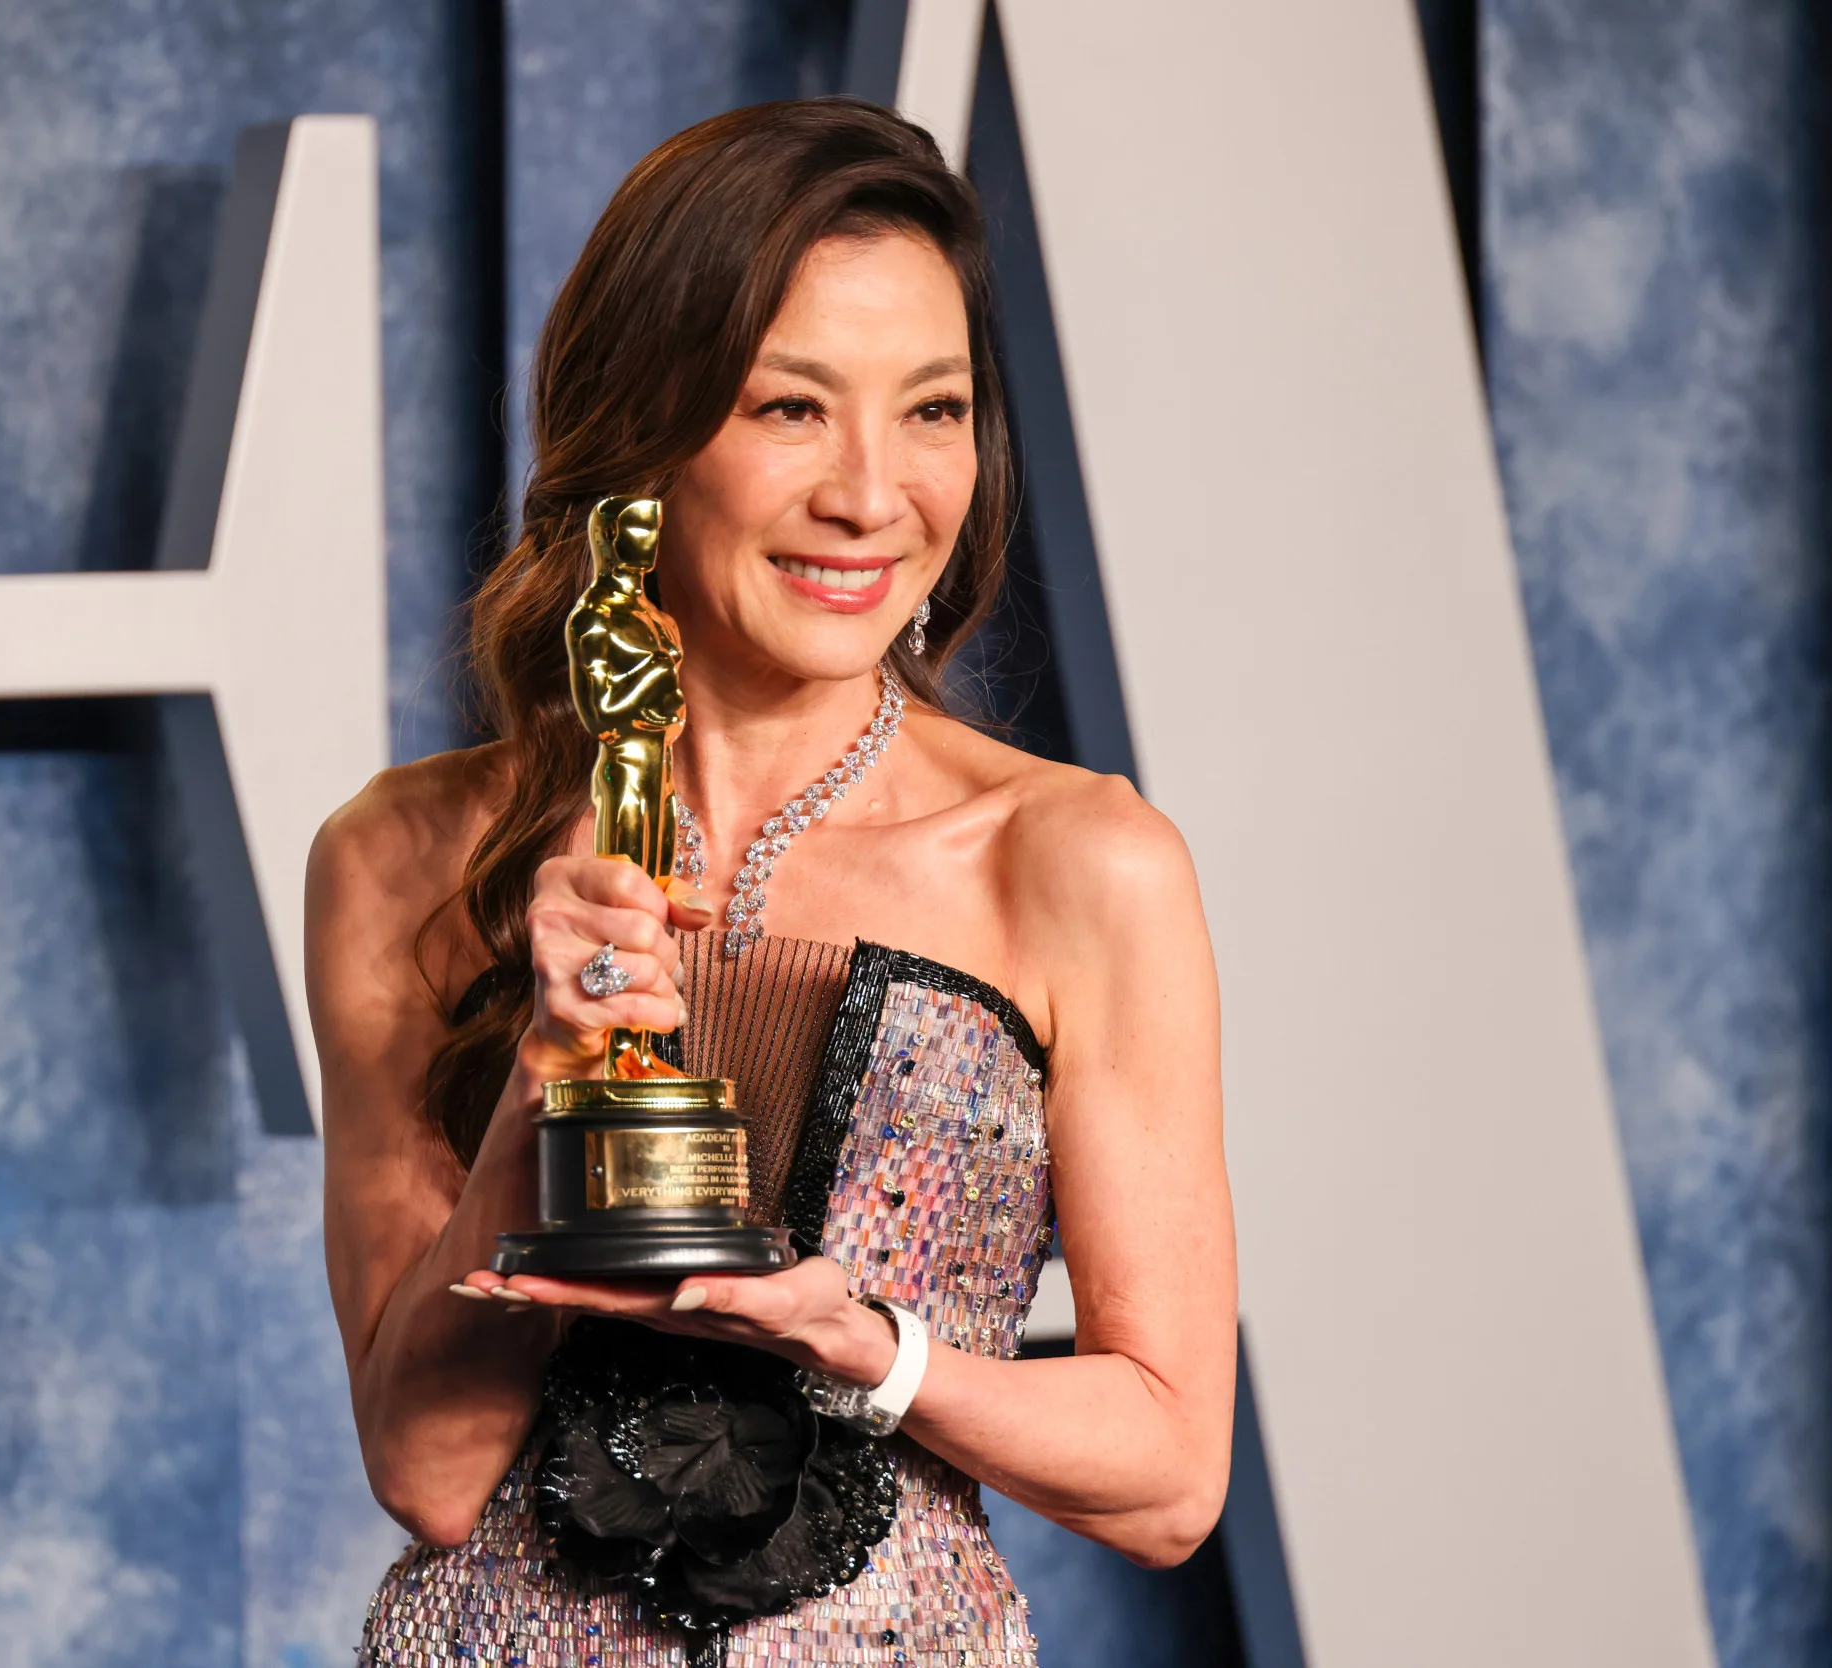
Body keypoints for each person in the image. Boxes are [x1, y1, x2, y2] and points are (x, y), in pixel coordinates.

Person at [309, 97, 1235, 1667]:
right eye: (790, 407)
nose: (873, 494)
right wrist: (543, 1077)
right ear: (643, 431)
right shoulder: (405, 858)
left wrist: (875, 1354)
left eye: (933, 410)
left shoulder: (1080, 862)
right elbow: (428, 1471)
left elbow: (1168, 1475)